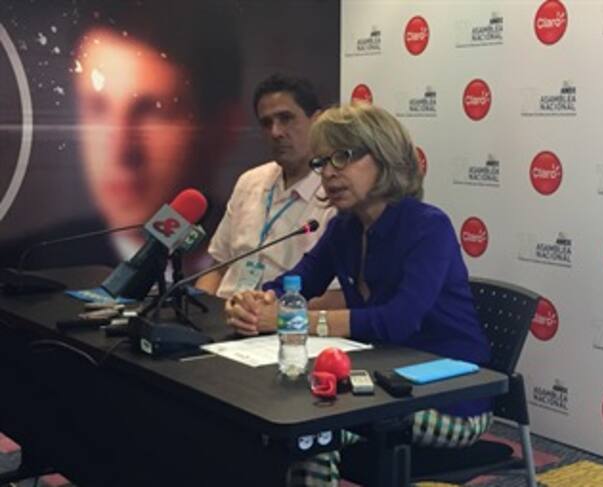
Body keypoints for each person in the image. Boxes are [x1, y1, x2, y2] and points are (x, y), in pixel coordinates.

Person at [225, 103, 492, 486]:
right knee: (273, 423)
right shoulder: (344, 227)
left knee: (312, 428)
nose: (329, 173)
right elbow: (299, 282)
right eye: (322, 162)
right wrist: (257, 301)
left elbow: (397, 321)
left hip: (449, 397)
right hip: (379, 381)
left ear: (384, 158)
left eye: (343, 157)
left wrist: (292, 319)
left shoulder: (428, 227)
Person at [0, 1, 241, 271]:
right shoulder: (18, 268)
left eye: (153, 111)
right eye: (98, 108)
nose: (120, 151)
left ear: (223, 128)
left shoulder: (267, 254)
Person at [196, 74, 341, 307]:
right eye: (266, 123)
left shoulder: (336, 191)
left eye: (286, 119)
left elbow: (336, 295)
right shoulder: (250, 181)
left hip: (282, 318)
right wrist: (203, 310)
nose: (276, 132)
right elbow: (217, 267)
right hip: (226, 312)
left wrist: (271, 316)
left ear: (317, 121)